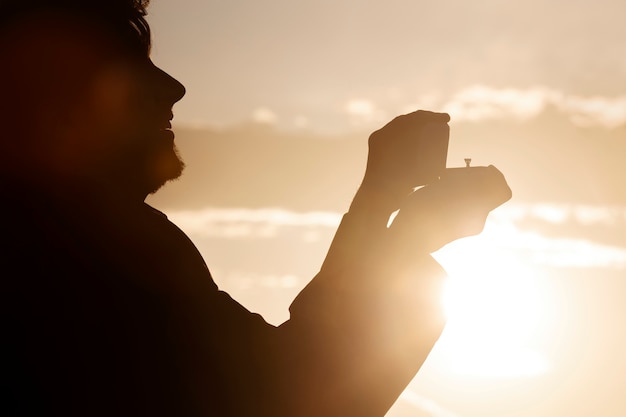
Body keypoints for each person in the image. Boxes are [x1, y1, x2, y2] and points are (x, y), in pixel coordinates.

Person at [0, 1, 511, 416]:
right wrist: (399, 236)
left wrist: (384, 215)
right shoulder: (92, 246)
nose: (173, 88)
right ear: (50, 103)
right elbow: (293, 399)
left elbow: (284, 375)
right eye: (128, 69)